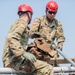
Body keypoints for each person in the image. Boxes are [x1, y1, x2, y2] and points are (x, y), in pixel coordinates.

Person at [2, 4, 53, 75]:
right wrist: (23, 53)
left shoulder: (20, 24)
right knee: (47, 68)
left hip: (14, 60)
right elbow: (12, 38)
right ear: (29, 14)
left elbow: (25, 34)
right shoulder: (21, 23)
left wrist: (34, 35)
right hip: (14, 61)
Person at [30, 0, 65, 66]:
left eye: (54, 13)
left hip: (51, 50)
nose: (52, 15)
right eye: (50, 12)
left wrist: (60, 45)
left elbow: (61, 37)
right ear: (46, 11)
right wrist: (37, 35)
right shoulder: (39, 20)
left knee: (55, 68)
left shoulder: (58, 24)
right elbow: (31, 33)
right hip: (39, 49)